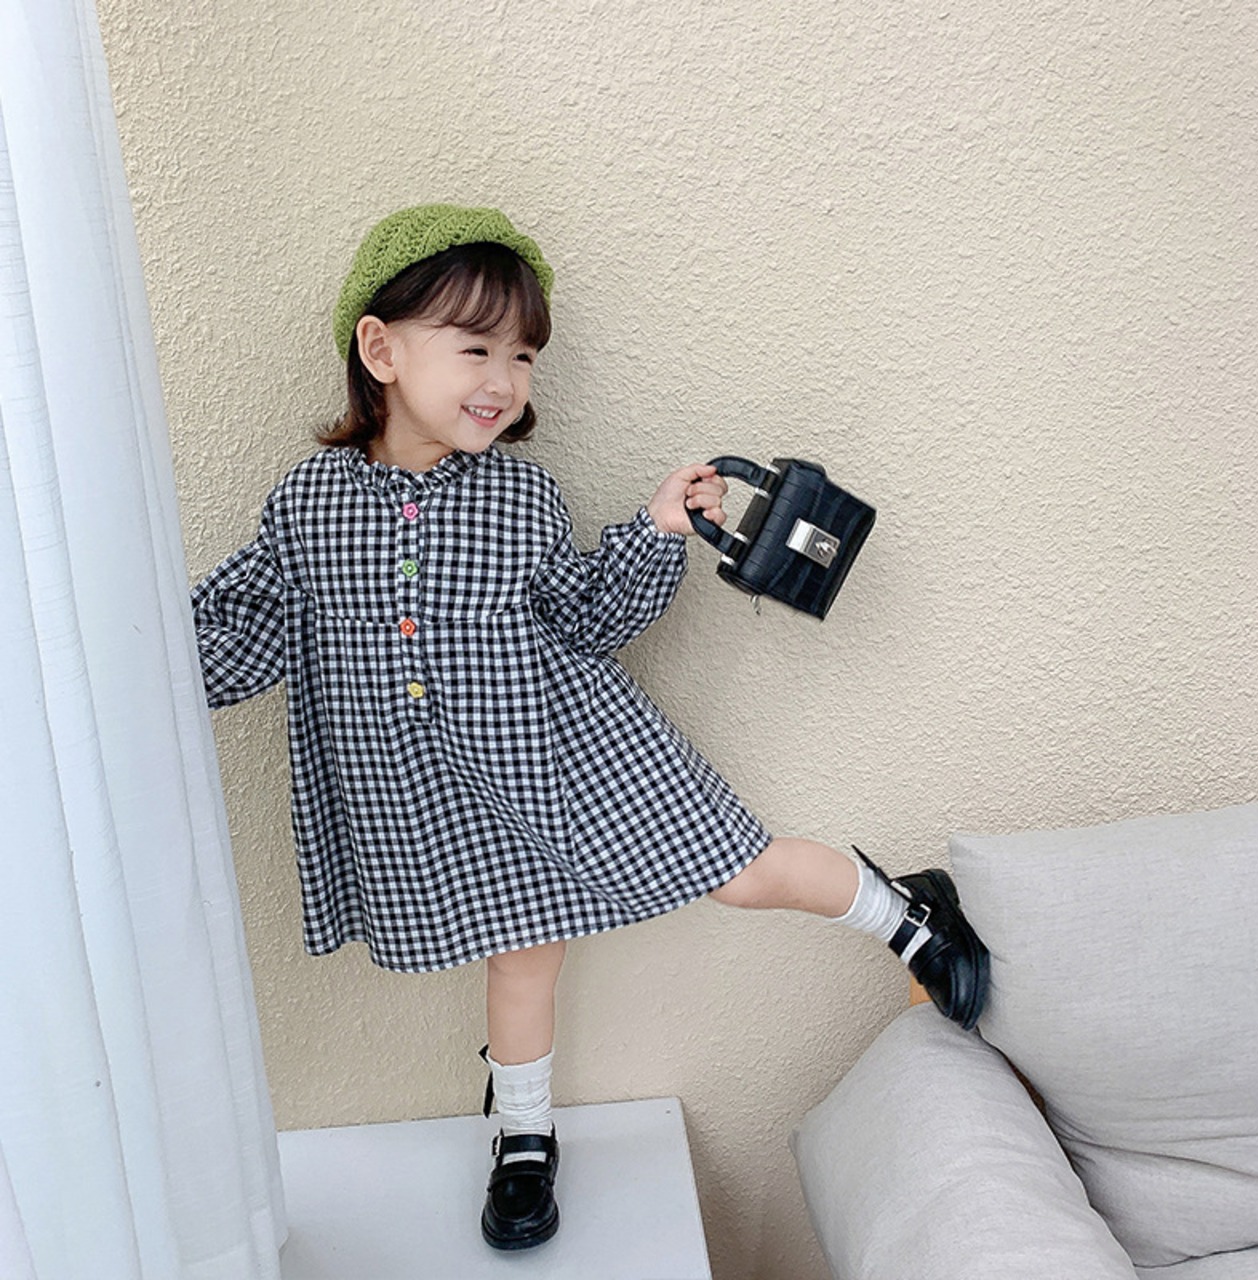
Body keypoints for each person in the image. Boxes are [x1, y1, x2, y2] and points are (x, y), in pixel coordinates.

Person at [191, 203, 989, 1253]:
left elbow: (587, 617)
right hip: (438, 794)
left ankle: (907, 914)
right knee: (520, 961)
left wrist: (658, 528)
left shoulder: (520, 496)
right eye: (475, 347)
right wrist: (121, 657)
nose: (504, 378)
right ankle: (524, 1138)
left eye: (522, 355)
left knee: (739, 870)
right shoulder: (305, 506)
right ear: (380, 350)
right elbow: (246, 628)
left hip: (568, 757)